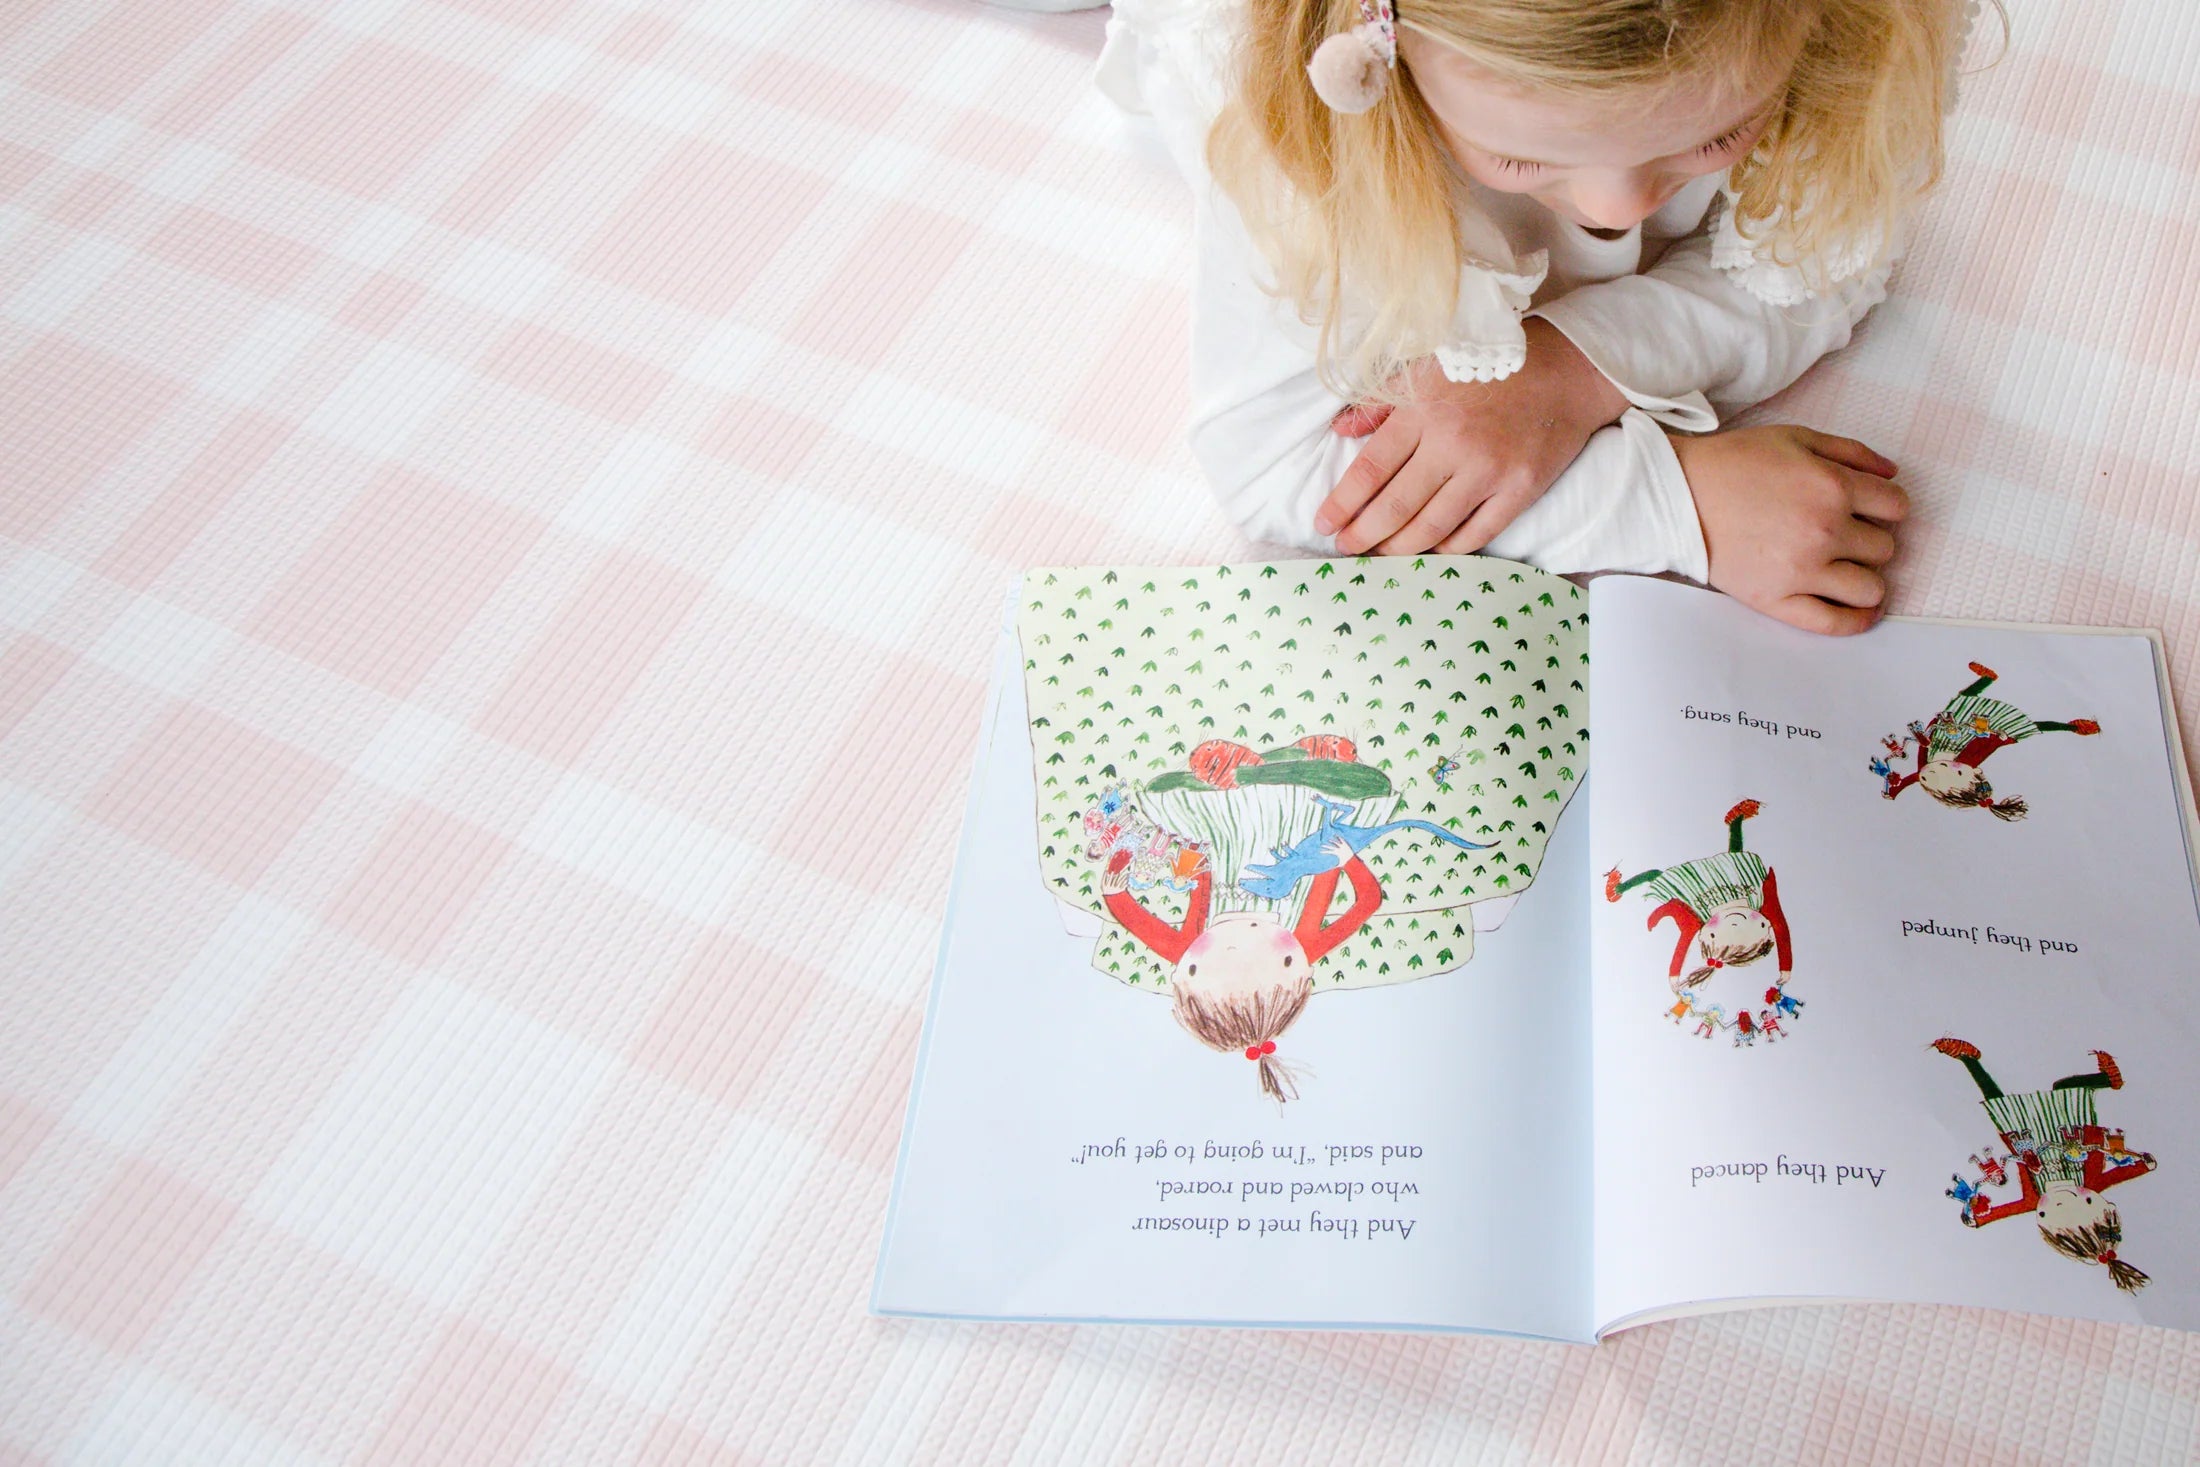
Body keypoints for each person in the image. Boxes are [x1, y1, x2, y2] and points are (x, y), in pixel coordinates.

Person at [1098, 0, 1991, 634]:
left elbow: (1834, 258)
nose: (1617, 207)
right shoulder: (1293, 122)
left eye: (1717, 135)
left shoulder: (1853, 37)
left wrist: (1573, 364)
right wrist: (1674, 503)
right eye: (1519, 159)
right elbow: (1275, 465)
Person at [1931, 1038, 2156, 1294]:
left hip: (2025, 1138)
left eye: (2046, 1215)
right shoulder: (2093, 1183)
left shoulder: (2033, 1200)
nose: (2057, 1201)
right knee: (2064, 1089)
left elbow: (2006, 1210)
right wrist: (2144, 1164)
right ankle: (2108, 1080)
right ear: (2105, 1206)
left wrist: (1977, 1218)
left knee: (2001, 1105)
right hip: (2068, 1132)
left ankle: (1969, 1058)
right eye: (2082, 1201)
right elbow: (2120, 1174)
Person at [1870, 661, 2100, 820]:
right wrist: (1995, 735)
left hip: (1950, 731)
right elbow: (1986, 745)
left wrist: (1894, 792)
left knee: (1961, 700)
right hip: (1981, 735)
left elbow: (1911, 779)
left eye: (1929, 777)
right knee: (2028, 726)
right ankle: (2072, 727)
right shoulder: (1969, 760)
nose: (1936, 770)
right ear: (1975, 772)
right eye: (1951, 772)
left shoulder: (1927, 773)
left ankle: (1987, 679)